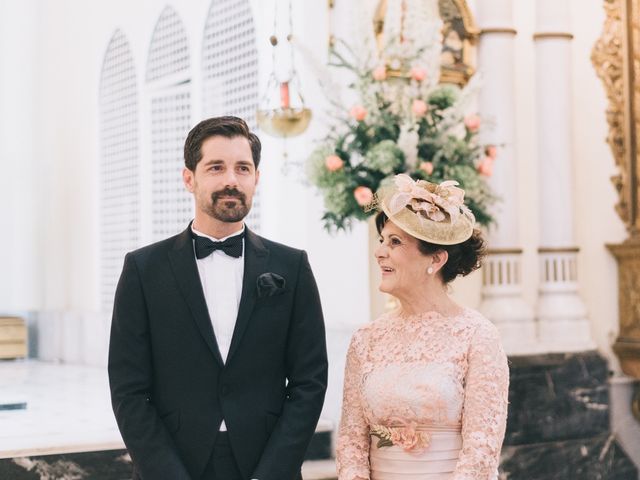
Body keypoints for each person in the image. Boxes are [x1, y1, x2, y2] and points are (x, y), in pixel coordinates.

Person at [108, 116, 328, 480]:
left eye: (243, 168)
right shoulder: (143, 270)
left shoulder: (293, 266)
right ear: (189, 179)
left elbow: (310, 380)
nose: (231, 179)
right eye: (216, 167)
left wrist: (273, 472)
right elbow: (128, 388)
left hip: (266, 463)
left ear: (256, 178)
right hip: (174, 464)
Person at [336, 174, 509, 479]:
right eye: (382, 240)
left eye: (395, 242)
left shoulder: (477, 336)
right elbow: (352, 441)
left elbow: (481, 451)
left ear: (436, 259)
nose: (380, 252)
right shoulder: (366, 339)